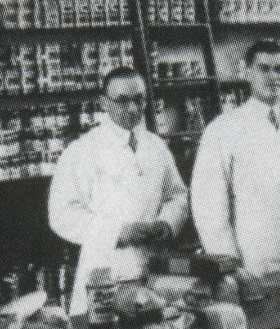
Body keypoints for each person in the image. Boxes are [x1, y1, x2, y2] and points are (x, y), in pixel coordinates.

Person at [49, 66, 188, 316]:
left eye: (139, 99)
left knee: (159, 328)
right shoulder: (82, 151)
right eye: (122, 100)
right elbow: (62, 215)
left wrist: (167, 224)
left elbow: (177, 195)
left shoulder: (156, 146)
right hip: (106, 272)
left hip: (155, 268)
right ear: (104, 102)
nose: (133, 108)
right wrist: (117, 233)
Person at [191, 40, 280, 276]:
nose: (273, 76)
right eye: (264, 69)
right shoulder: (222, 130)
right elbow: (208, 208)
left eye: (279, 69)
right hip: (250, 267)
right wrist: (230, 267)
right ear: (247, 72)